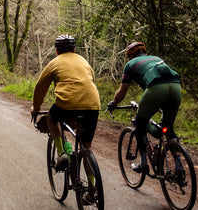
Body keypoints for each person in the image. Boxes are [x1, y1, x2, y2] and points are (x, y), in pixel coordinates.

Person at [108, 41, 182, 173]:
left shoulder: (130, 65)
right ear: (144, 52)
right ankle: (179, 166)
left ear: (130, 56)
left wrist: (114, 103)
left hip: (156, 88)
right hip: (176, 87)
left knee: (140, 124)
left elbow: (122, 92)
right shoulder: (156, 59)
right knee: (168, 128)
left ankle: (143, 164)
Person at [31, 34, 101, 171]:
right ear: (74, 50)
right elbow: (91, 80)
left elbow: (40, 87)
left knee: (51, 118)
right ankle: (92, 187)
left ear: (57, 51)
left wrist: (36, 107)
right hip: (93, 104)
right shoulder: (84, 61)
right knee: (86, 147)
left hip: (67, 103)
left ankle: (61, 153)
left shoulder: (55, 63)